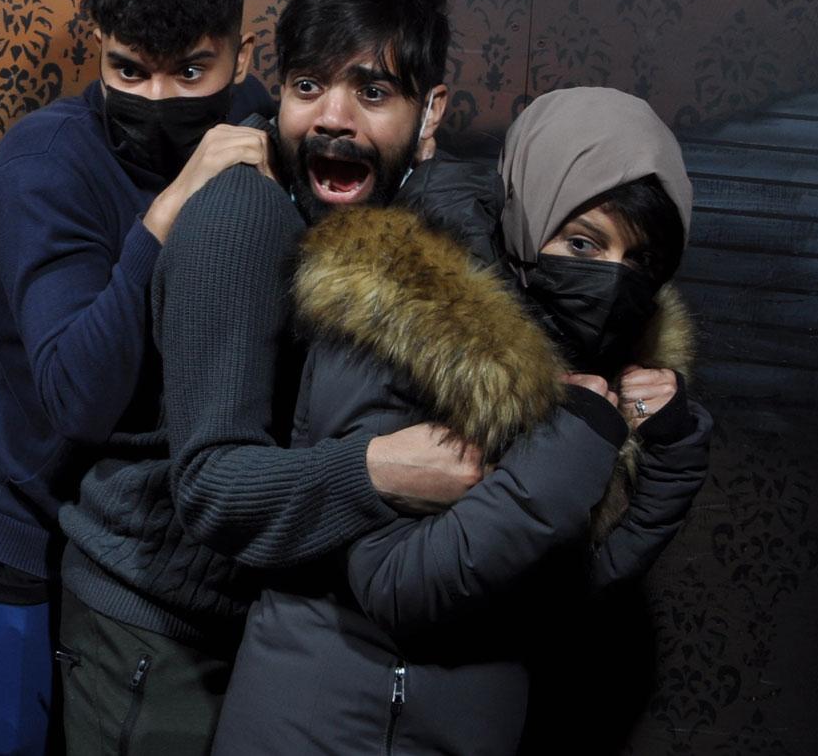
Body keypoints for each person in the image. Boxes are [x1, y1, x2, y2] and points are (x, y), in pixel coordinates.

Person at [56, 0, 485, 754]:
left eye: (373, 92)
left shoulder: (382, 215)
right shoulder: (245, 219)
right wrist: (379, 470)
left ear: (430, 113)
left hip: (242, 630)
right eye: (308, 86)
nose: (333, 118)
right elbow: (211, 485)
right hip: (155, 637)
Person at [208, 86, 713, 755]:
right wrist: (571, 444)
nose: (613, 280)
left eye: (640, 260)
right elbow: (397, 586)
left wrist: (671, 452)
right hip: (325, 722)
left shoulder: (596, 354)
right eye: (584, 244)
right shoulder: (404, 310)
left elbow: (576, 585)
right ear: (533, 208)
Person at [0, 0, 276, 754]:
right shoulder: (46, 165)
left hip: (125, 577)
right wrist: (165, 214)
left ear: (243, 56)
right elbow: (76, 396)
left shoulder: (256, 128)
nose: (159, 100)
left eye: (192, 70)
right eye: (129, 70)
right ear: (99, 48)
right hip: (9, 561)